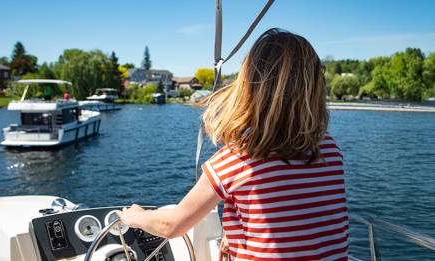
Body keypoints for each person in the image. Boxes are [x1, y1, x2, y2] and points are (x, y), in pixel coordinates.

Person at [119, 28, 348, 261]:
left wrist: (136, 217)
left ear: (249, 86)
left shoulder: (237, 159)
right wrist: (235, 231)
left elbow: (172, 225)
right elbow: (299, 212)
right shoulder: (329, 148)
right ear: (314, 88)